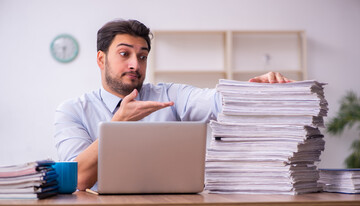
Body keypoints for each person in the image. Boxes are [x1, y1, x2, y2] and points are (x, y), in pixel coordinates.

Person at [54, 19, 293, 191]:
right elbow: (77, 179)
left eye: (143, 56)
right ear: (101, 58)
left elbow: (216, 101)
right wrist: (118, 124)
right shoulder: (73, 110)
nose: (135, 64)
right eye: (124, 54)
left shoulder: (169, 95)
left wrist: (257, 89)